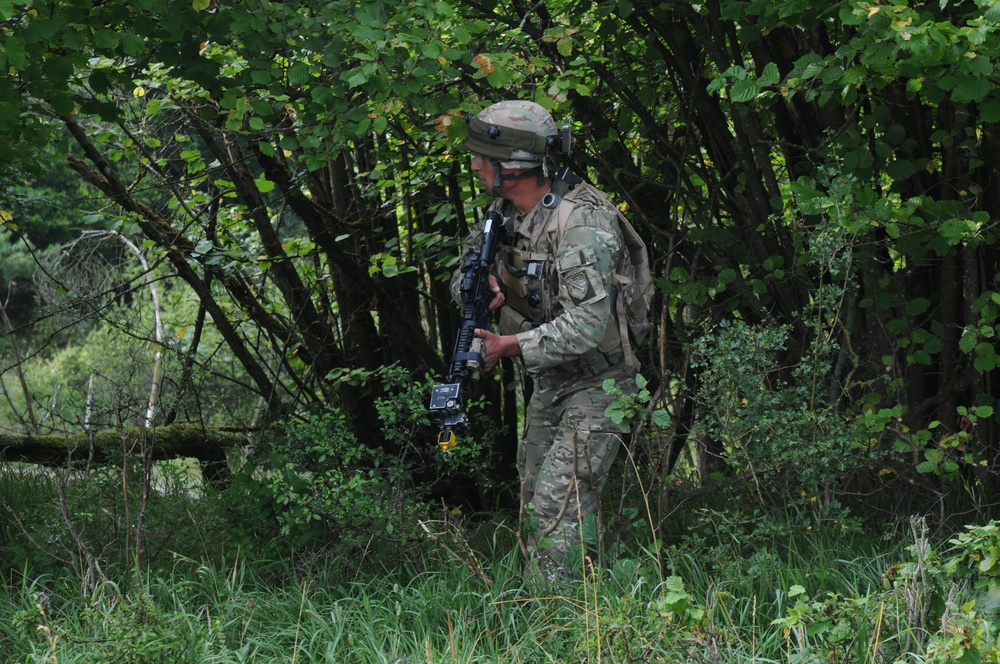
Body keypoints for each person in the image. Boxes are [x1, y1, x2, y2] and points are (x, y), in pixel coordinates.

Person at [451, 100, 639, 573]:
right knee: (536, 508)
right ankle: (583, 609)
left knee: (556, 511)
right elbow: (462, 276)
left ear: (513, 166)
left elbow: (587, 326)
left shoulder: (582, 223)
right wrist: (483, 285)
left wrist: (509, 346)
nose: (474, 165)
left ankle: (557, 625)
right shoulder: (505, 215)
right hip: (550, 383)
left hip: (601, 384)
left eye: (482, 158)